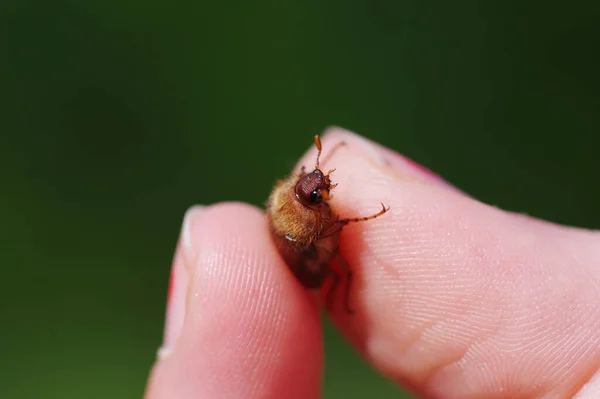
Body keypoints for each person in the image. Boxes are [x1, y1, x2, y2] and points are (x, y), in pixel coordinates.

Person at [144, 128, 600, 398]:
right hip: (309, 268)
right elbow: (327, 231)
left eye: (315, 184)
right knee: (338, 271)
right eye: (318, 190)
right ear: (311, 201)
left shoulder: (295, 197)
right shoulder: (309, 225)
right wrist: (354, 216)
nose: (321, 185)